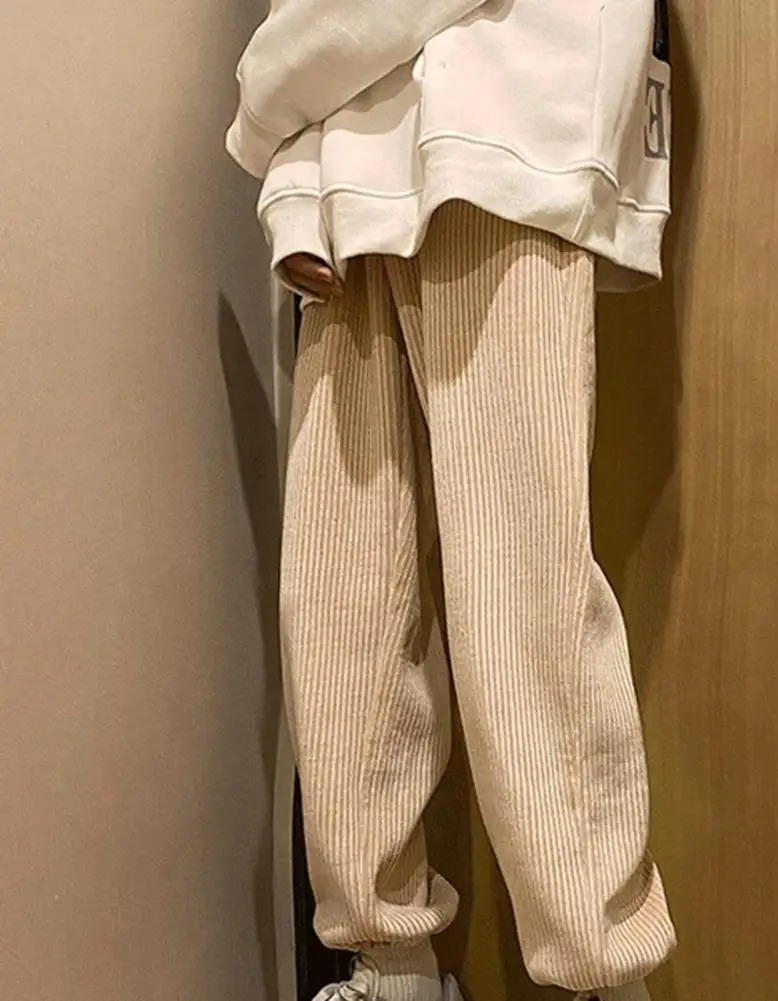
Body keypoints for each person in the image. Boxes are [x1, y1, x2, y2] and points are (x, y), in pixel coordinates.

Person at [227, 3, 677, 1000]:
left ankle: (601, 970)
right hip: (352, 179)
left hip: (495, 137)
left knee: (520, 580)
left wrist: (264, 97)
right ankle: (386, 962)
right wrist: (295, 190)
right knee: (343, 591)